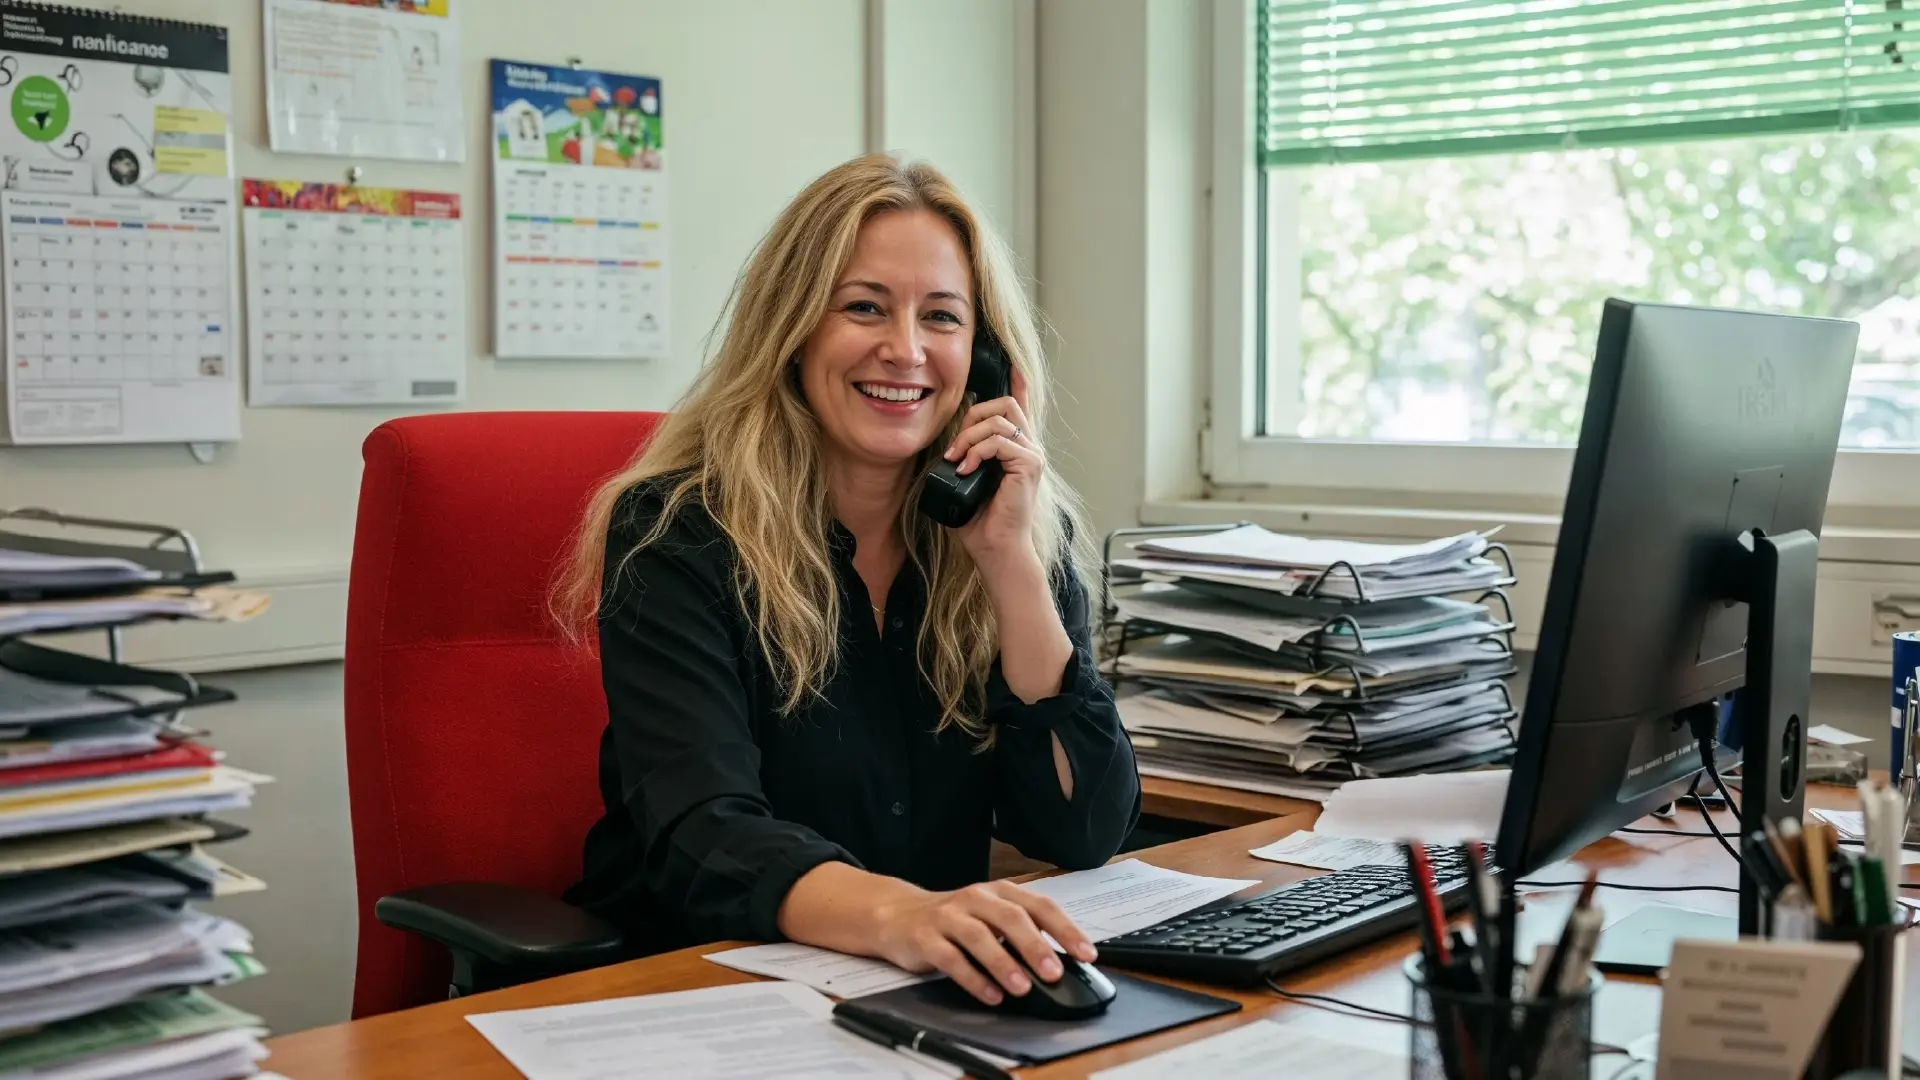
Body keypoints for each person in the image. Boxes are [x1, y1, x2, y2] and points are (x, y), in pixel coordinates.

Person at [556, 154, 1140, 1007]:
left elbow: (1082, 828)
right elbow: (704, 831)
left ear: (984, 363)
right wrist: (906, 917)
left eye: (942, 317)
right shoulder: (679, 534)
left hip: (913, 988)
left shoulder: (1010, 533)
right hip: (697, 990)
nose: (904, 350)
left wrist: (1010, 566)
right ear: (792, 330)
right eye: (863, 307)